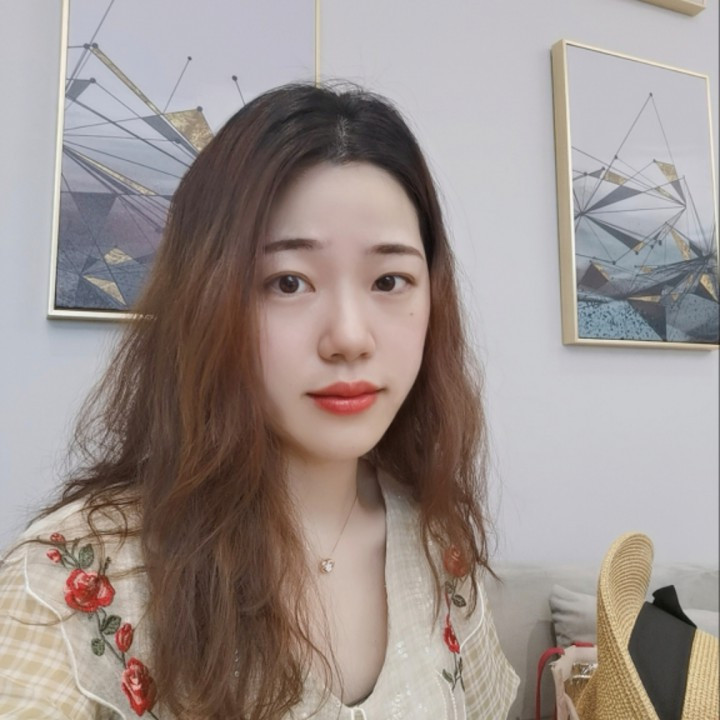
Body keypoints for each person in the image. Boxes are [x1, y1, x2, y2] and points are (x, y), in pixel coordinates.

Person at [0, 82, 518, 719]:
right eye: (288, 282)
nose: (350, 338)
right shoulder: (72, 584)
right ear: (204, 299)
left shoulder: (440, 543)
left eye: (390, 280)